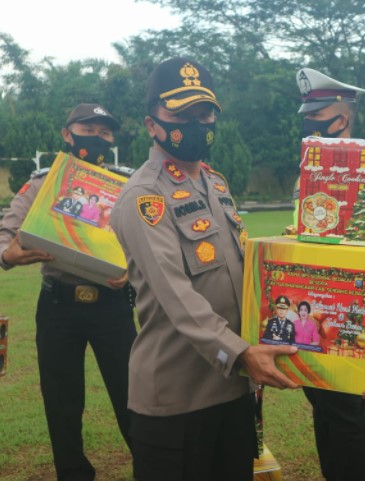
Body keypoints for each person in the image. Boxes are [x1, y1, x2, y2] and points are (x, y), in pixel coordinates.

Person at [110, 57, 297, 481]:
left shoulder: (215, 184)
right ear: (151, 123)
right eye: (181, 114)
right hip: (178, 398)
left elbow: (238, 267)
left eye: (205, 113)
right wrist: (243, 353)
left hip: (231, 388)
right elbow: (176, 296)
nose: (198, 123)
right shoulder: (145, 197)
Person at [0, 103, 137, 481]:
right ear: (67, 134)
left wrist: (133, 272)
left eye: (104, 132)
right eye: (87, 129)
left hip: (113, 306)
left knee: (133, 396)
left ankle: (152, 466)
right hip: (58, 305)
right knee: (61, 401)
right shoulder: (44, 182)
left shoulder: (127, 185)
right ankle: (73, 473)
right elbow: (6, 232)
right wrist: (8, 254)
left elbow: (146, 243)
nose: (96, 137)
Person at [295, 66, 365, 481]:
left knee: (344, 411)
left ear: (341, 119)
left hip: (343, 303)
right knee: (324, 407)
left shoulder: (364, 169)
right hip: (312, 299)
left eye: (316, 116)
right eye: (307, 117)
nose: (308, 125)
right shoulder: (311, 166)